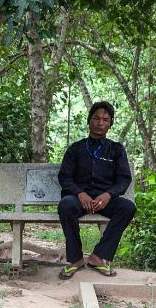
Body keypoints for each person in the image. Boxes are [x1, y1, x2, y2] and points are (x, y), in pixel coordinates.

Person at [57, 101, 135, 279]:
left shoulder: (116, 150)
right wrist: (80, 193)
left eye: (105, 120)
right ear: (89, 121)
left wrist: (109, 195)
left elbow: (124, 179)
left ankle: (99, 256)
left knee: (127, 207)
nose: (100, 123)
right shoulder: (75, 149)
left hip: (104, 201)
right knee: (65, 205)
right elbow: (65, 177)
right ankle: (75, 259)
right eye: (96, 118)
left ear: (110, 124)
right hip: (79, 199)